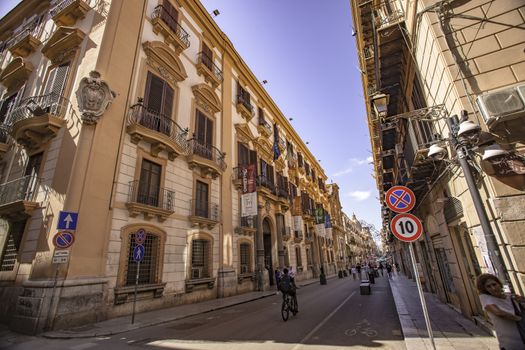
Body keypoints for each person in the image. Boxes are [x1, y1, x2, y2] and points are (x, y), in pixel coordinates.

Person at [477, 273, 525, 350]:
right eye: (488, 287)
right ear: (485, 289)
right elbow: (499, 313)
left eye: (494, 284)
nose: (493, 288)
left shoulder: (511, 297)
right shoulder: (485, 298)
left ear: (499, 284)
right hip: (508, 343)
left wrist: (522, 301)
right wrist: (520, 319)